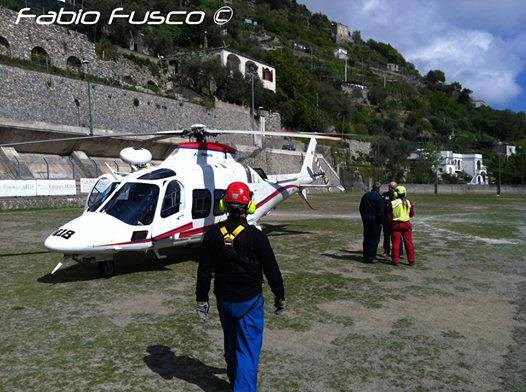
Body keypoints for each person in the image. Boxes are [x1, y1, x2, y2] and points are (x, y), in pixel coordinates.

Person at [196, 181, 285, 392]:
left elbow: (204, 271)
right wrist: (279, 295)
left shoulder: (212, 235)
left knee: (231, 344)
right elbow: (272, 270)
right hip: (250, 302)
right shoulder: (257, 237)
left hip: (224, 301)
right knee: (247, 352)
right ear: (249, 206)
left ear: (224, 205)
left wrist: (202, 299)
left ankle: (234, 380)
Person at [387, 185, 416, 266]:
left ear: (396, 194)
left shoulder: (393, 203)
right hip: (407, 225)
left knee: (396, 243)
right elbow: (412, 214)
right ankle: (411, 260)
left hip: (396, 225)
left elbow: (389, 216)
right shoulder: (409, 202)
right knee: (409, 243)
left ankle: (395, 260)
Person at [359, 183, 385, 263]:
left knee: (366, 238)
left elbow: (361, 208)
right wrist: (381, 221)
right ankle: (371, 257)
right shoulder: (378, 197)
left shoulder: (366, 195)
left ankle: (366, 255)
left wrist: (364, 217)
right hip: (375, 221)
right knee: (374, 239)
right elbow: (381, 211)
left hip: (366, 220)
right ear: (378, 188)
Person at [381, 181, 403, 258]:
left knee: (397, 236)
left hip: (395, 220)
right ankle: (386, 251)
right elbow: (382, 206)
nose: (390, 189)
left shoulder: (398, 196)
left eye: (392, 187)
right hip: (386, 219)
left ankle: (399, 252)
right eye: (389, 187)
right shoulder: (384, 195)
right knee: (386, 236)